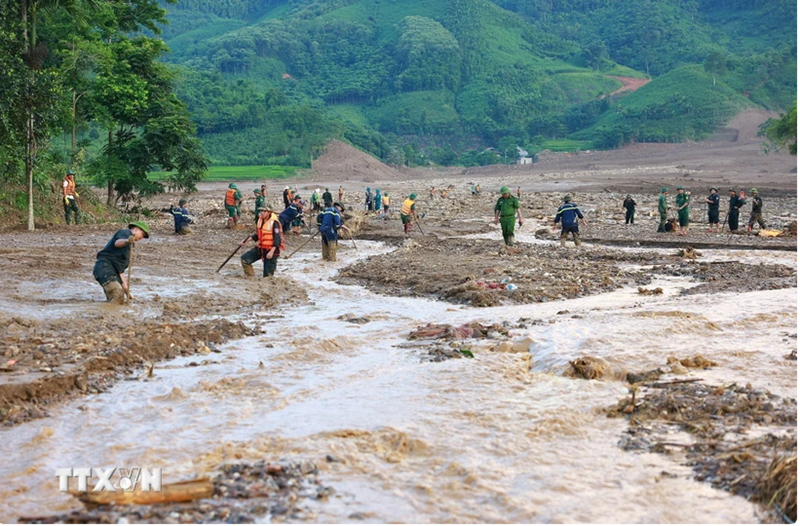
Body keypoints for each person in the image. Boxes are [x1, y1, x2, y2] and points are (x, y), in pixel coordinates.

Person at [92, 221, 150, 304]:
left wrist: (127, 291)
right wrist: (127, 241)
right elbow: (117, 243)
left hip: (110, 271)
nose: (142, 237)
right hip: (104, 268)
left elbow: (120, 272)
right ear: (136, 229)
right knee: (118, 295)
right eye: (143, 234)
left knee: (116, 299)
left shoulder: (127, 248)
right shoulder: (125, 233)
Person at [240, 206, 284, 278]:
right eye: (261, 211)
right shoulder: (261, 221)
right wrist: (246, 241)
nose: (262, 213)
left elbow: (277, 239)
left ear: (269, 212)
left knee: (267, 276)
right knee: (245, 259)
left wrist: (271, 252)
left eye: (264, 211)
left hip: (271, 250)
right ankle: (251, 279)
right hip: (261, 248)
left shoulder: (274, 223)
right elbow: (259, 234)